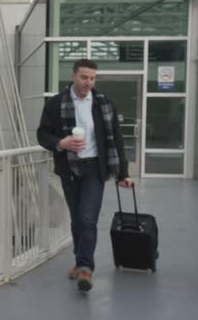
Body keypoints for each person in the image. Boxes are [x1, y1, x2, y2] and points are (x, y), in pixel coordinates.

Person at [37, 59, 133, 292]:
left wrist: (123, 173)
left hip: (94, 169)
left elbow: (117, 140)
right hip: (69, 169)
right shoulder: (56, 103)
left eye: (92, 78)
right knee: (77, 219)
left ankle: (85, 268)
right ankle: (80, 260)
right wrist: (61, 142)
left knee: (88, 219)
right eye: (84, 77)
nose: (88, 82)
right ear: (73, 76)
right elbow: (42, 134)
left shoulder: (103, 104)